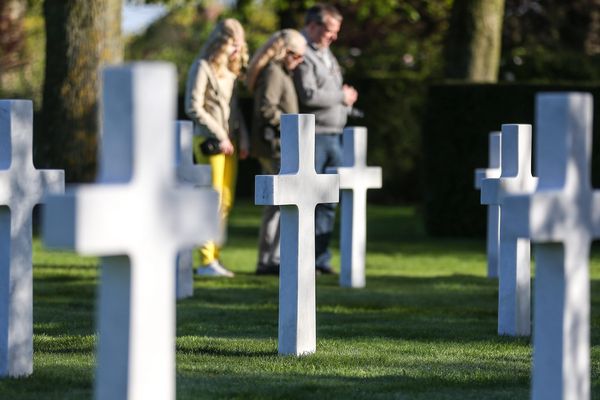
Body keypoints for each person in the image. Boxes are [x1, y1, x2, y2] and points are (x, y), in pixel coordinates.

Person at [294, 4, 358, 274]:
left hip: (335, 134)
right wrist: (342, 98)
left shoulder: (327, 54)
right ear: (313, 26)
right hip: (315, 137)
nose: (333, 37)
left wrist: (347, 105)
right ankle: (303, 258)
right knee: (309, 200)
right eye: (329, 31)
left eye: (336, 32)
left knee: (329, 202)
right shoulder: (303, 54)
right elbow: (308, 96)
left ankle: (321, 259)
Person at [184, 18, 249, 277]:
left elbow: (235, 111)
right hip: (209, 142)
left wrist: (242, 138)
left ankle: (215, 258)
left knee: (226, 201)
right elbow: (193, 106)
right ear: (221, 42)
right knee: (211, 198)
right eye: (233, 45)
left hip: (229, 145)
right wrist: (220, 133)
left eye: (239, 46)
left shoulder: (231, 73)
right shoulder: (202, 67)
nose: (237, 51)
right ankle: (205, 259)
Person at [246, 29, 307, 276]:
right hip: (276, 146)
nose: (300, 61)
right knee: (282, 202)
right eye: (299, 56)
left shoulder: (281, 72)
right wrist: (291, 128)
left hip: (279, 145)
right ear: (287, 52)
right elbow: (265, 108)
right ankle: (272, 258)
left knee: (275, 205)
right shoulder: (274, 72)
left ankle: (269, 259)